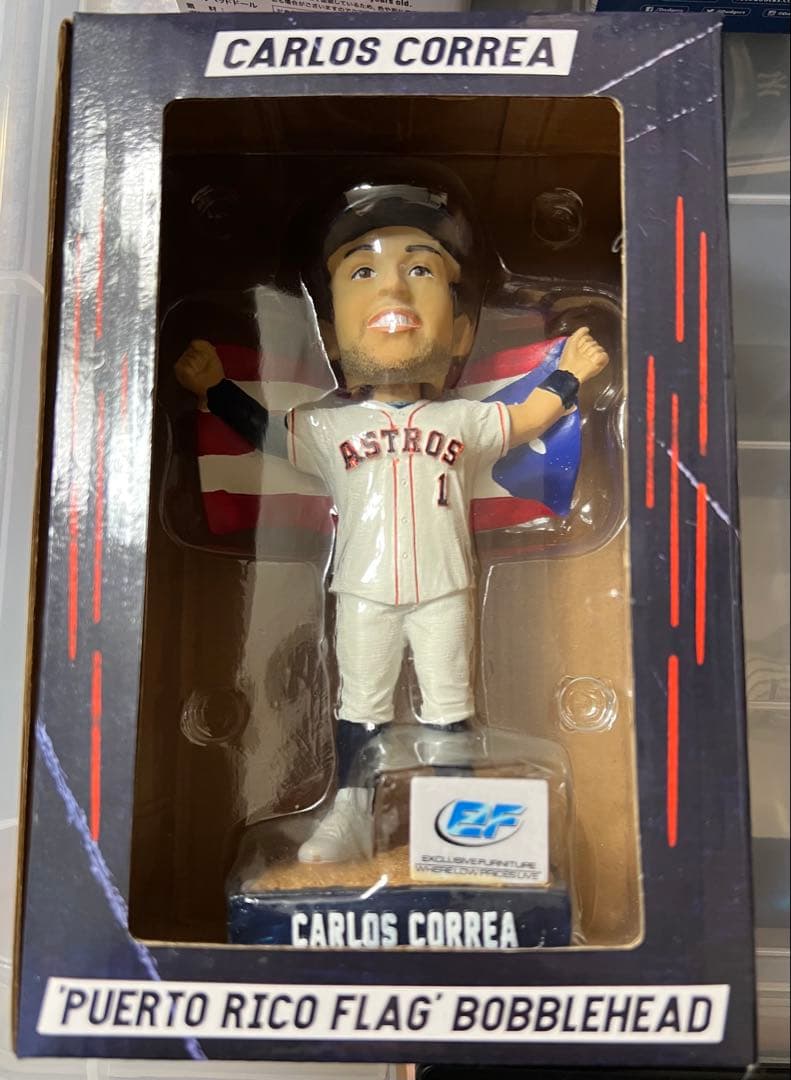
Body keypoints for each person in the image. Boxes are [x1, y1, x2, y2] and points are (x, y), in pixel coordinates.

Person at [175, 173, 609, 864]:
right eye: (364, 272)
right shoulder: (328, 426)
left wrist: (570, 376)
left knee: (449, 702)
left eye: (420, 271)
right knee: (362, 703)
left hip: (443, 585)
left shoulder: (462, 419)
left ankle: (454, 823)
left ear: (461, 332)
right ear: (329, 334)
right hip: (363, 586)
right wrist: (215, 390)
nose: (394, 293)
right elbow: (266, 433)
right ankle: (353, 811)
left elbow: (528, 417)